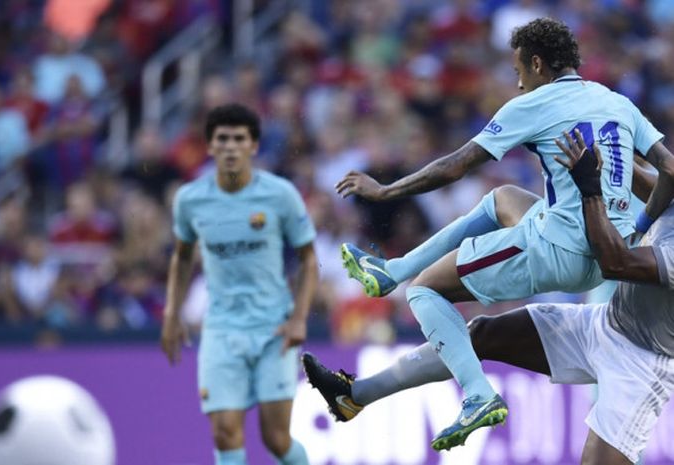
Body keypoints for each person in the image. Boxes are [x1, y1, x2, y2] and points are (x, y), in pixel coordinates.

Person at [333, 17, 674, 450]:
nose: (517, 85)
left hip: (566, 253)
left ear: (537, 64)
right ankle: (391, 270)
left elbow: (454, 166)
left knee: (425, 292)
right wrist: (641, 226)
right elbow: (669, 169)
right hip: (610, 254)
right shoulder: (617, 102)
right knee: (505, 198)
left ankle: (477, 395)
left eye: (518, 73)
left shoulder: (534, 104)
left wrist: (386, 190)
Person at [305, 131, 674, 464]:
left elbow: (616, 263)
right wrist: (608, 149)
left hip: (642, 363)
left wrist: (592, 189)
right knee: (481, 334)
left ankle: (396, 274)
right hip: (603, 323)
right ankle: (353, 394)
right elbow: (658, 179)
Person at [161, 104, 319, 465]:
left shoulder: (280, 195)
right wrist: (172, 313)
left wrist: (299, 318)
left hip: (273, 327)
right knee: (224, 431)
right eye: (223, 139)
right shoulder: (190, 200)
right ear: (210, 146)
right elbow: (183, 256)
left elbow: (309, 259)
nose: (230, 147)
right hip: (220, 328)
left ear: (253, 146)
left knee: (276, 439)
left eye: (238, 139)